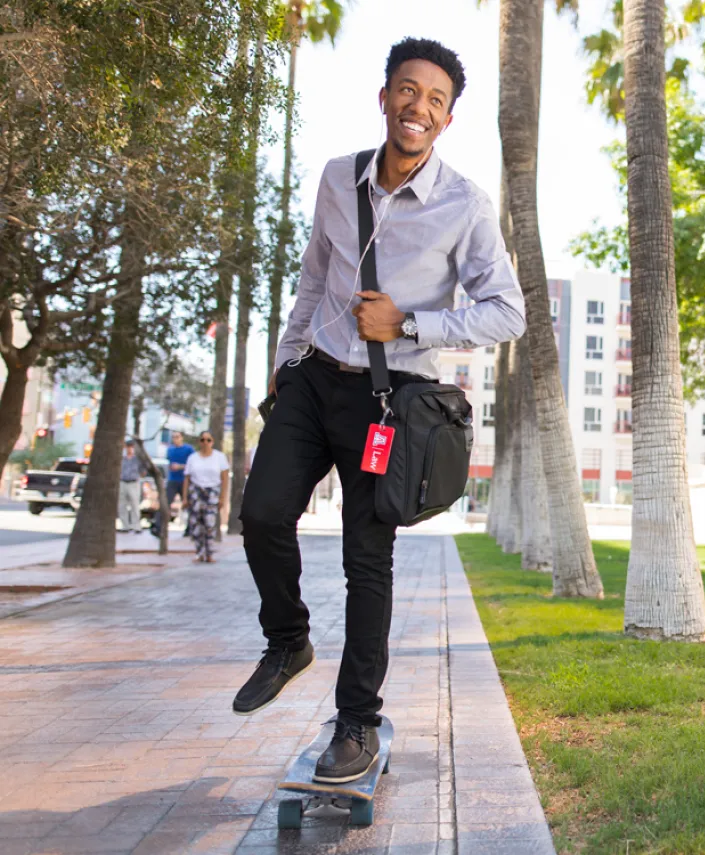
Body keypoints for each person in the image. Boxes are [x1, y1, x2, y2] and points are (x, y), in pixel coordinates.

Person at [234, 37, 525, 785]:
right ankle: (288, 638)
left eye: (434, 99)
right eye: (407, 90)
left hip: (388, 400)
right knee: (263, 513)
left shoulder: (465, 205)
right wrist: (283, 364)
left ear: (447, 119)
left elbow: (507, 312)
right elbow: (312, 278)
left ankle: (356, 722)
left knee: (368, 562)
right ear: (384, 96)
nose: (417, 107)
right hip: (311, 379)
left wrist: (411, 324)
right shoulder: (338, 178)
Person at [183, 432, 230, 563]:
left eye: (208, 440)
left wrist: (222, 498)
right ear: (199, 442)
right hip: (196, 491)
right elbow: (187, 478)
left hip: (212, 492)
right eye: (202, 440)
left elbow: (225, 478)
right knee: (196, 524)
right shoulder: (193, 458)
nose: (205, 442)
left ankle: (209, 553)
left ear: (212, 441)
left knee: (209, 523)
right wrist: (185, 498)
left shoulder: (219, 457)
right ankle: (199, 553)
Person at [165, 431, 194, 536]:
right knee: (165, 502)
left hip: (185, 481)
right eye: (173, 437)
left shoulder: (188, 449)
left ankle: (190, 528)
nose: (175, 439)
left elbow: (193, 464)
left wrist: (180, 466)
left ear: (182, 438)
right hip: (172, 480)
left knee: (188, 504)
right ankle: (160, 527)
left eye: (177, 437)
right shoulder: (170, 449)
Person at [118, 441, 144, 533]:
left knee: (134, 504)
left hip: (134, 482)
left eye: (131, 447)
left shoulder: (138, 459)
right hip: (122, 482)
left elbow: (143, 471)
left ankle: (136, 526)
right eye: (128, 447)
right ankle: (125, 526)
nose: (129, 449)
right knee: (122, 505)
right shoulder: (122, 459)